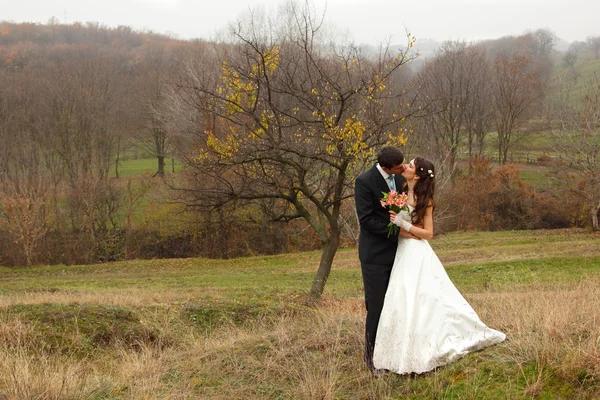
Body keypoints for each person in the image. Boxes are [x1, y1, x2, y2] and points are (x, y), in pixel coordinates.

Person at [372, 157, 506, 375]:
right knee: (402, 296)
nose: (405, 166)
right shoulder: (400, 189)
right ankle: (399, 349)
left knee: (423, 297)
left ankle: (432, 343)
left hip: (417, 252)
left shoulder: (426, 200)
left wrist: (403, 224)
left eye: (411, 165)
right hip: (402, 249)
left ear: (417, 175)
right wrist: (398, 226)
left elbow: (428, 233)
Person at [354, 146, 414, 373]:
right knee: (377, 305)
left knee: (397, 303)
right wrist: (397, 230)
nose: (403, 169)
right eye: (399, 167)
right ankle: (371, 357)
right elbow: (367, 219)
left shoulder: (399, 180)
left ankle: (393, 351)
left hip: (399, 253)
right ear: (386, 167)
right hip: (375, 255)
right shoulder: (364, 182)